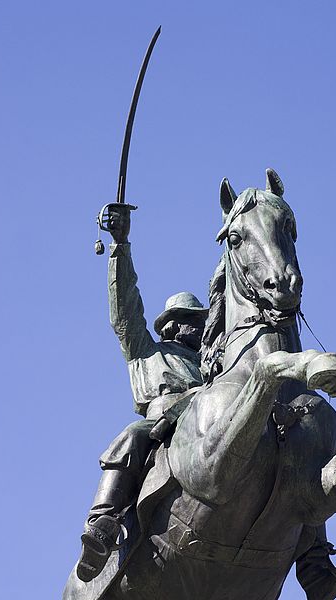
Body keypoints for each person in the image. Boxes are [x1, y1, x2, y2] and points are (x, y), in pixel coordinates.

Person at [77, 205, 208, 582]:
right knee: (132, 435)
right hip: (160, 429)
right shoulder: (146, 351)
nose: (197, 328)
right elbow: (125, 310)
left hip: (204, 426)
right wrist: (121, 245)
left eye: (200, 321)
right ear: (171, 326)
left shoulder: (211, 365)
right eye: (190, 320)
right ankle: (103, 521)